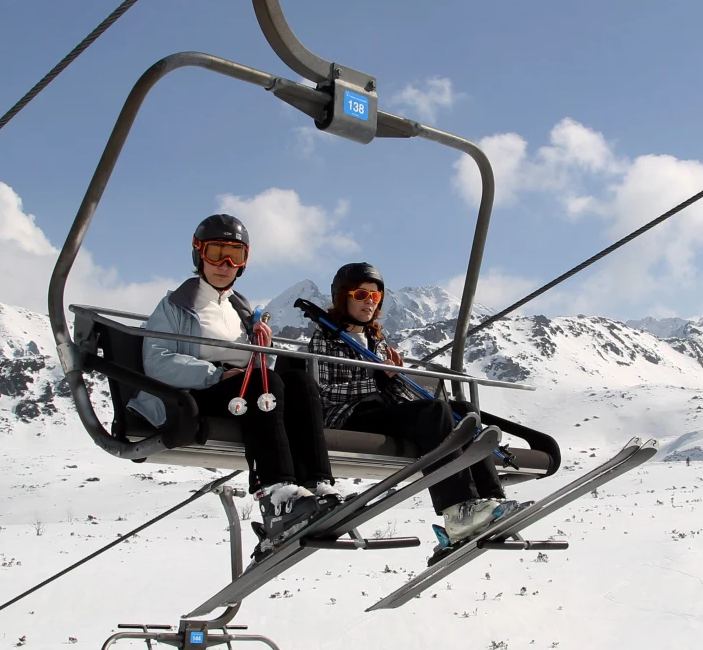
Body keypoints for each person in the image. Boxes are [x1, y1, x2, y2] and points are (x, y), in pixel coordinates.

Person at [127, 214, 338, 544]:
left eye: (235, 255)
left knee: (299, 381)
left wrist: (261, 348)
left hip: (239, 392)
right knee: (261, 383)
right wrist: (216, 375)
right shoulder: (174, 306)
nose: (225, 264)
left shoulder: (241, 310)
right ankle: (276, 496)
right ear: (199, 255)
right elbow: (157, 361)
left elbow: (257, 366)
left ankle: (317, 485)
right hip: (194, 393)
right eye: (216, 253)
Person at [307, 262, 524, 546]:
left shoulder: (378, 342)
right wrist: (377, 378)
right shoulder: (326, 339)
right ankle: (457, 511)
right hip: (349, 416)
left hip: (381, 412)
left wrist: (395, 380)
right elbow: (324, 393)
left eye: (375, 296)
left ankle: (490, 501)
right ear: (342, 297)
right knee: (435, 413)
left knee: (465, 413)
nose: (369, 302)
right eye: (361, 295)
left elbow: (395, 394)